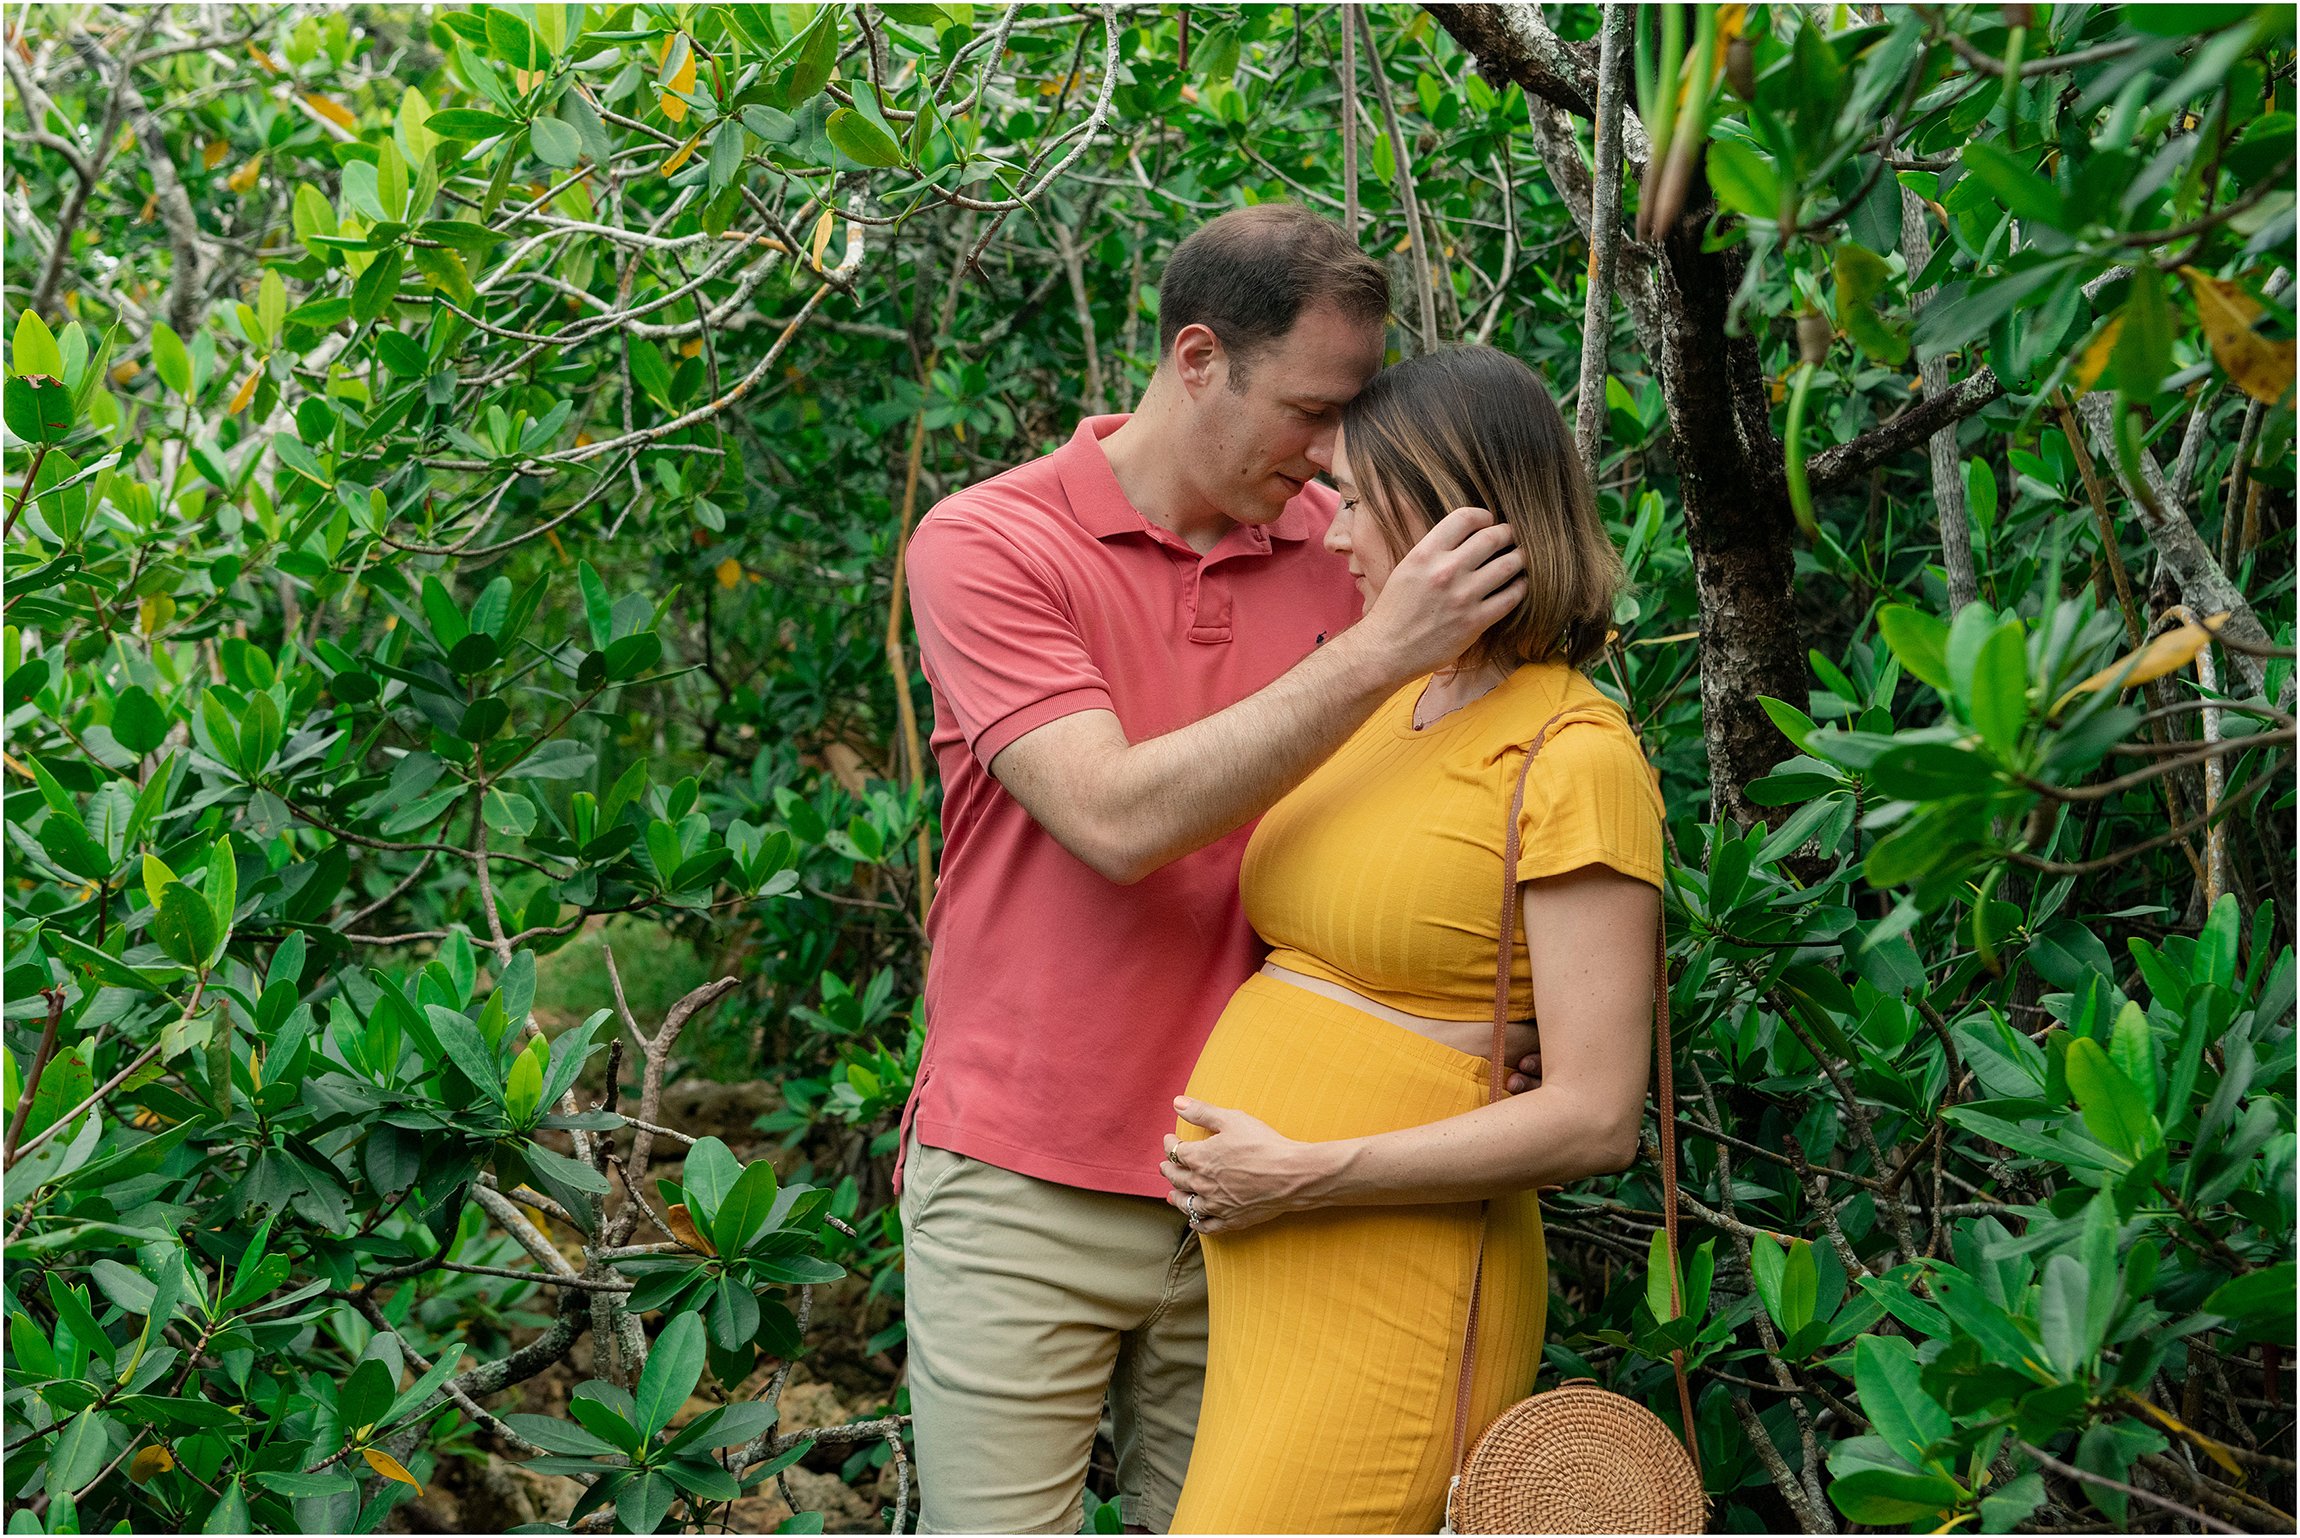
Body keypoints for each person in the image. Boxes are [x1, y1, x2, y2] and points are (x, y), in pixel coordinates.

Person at [895, 206, 1542, 1535]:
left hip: (1272, 1175)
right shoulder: (988, 542)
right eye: (1310, 409)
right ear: (1198, 358)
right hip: (1028, 1177)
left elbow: (1455, 810)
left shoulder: (1354, 549)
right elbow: (1117, 820)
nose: (1331, 451)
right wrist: (1377, 651)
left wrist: (1487, 1014)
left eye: (1351, 412)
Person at [1156, 345, 1667, 1534]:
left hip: (1393, 1262)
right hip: (1275, 1272)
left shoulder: (1574, 754)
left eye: (1360, 498)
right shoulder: (1389, 699)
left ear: (1455, 512)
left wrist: (1301, 1171)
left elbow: (1596, 1117)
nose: (1331, 536)